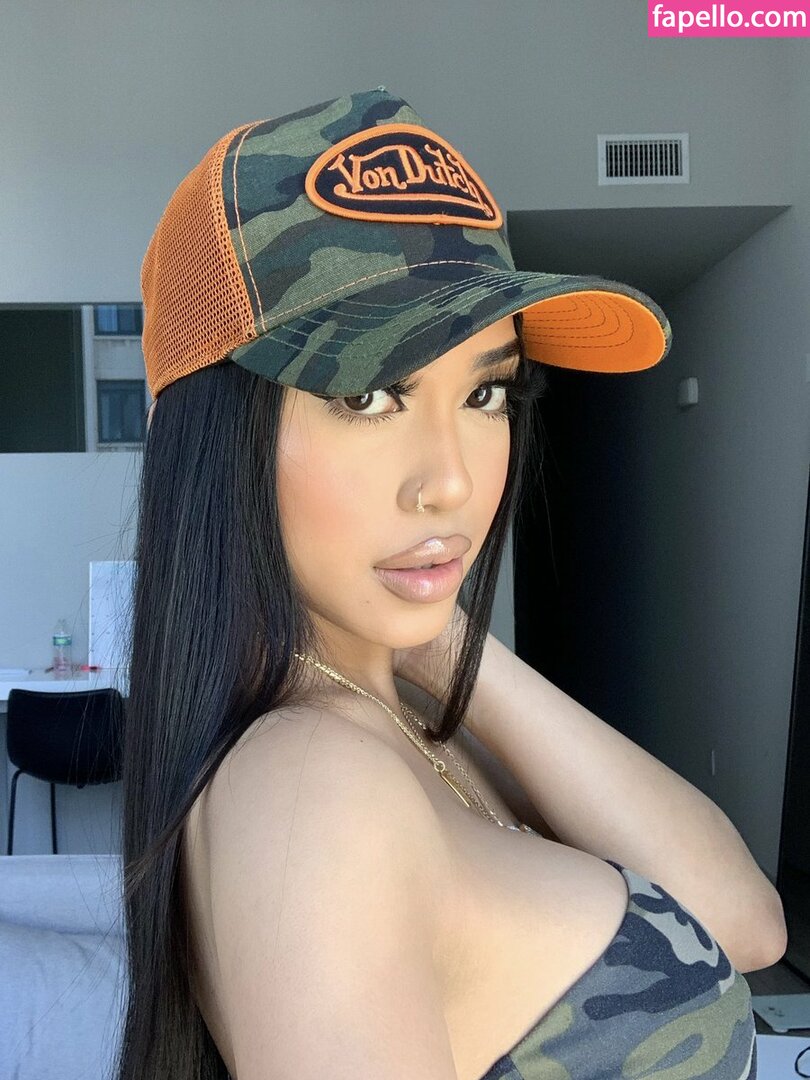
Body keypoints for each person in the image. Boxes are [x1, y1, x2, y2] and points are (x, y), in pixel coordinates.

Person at [114, 87, 782, 1080]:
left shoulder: (405, 717)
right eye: (368, 394)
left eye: (486, 392)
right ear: (206, 435)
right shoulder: (315, 789)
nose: (455, 482)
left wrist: (444, 640)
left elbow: (743, 921)